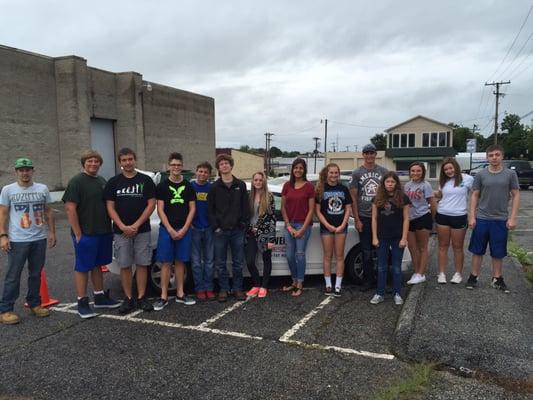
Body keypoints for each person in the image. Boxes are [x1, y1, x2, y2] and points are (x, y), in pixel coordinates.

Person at [63, 150, 120, 319]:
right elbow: (69, 208)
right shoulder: (76, 181)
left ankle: (100, 296)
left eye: (96, 161)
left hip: (102, 231)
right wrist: (78, 233)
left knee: (98, 265)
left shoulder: (101, 181)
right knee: (83, 267)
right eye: (90, 161)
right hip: (86, 233)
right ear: (84, 163)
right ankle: (82, 302)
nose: (93, 164)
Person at [0, 158, 56, 325]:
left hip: (38, 238)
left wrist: (52, 232)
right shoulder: (8, 190)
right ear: (16, 172)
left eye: (27, 170)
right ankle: (6, 309)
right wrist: (3, 235)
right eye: (21, 170)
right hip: (18, 239)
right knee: (13, 275)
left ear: (32, 171)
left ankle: (34, 303)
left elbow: (48, 211)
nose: (25, 173)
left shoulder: (42, 188)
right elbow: (3, 214)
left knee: (35, 273)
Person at [104, 148, 156, 313]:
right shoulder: (113, 182)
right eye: (124, 160)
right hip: (121, 232)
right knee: (125, 265)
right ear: (120, 162)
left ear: (135, 160)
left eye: (130, 159)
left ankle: (141, 297)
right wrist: (122, 226)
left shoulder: (145, 180)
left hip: (142, 230)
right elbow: (110, 206)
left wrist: (136, 225)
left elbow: (151, 204)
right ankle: (128, 298)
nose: (127, 162)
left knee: (142, 264)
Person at [466, 144, 520, 292]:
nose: (494, 158)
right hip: (482, 218)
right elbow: (474, 195)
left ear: (502, 156)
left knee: (498, 251)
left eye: (497, 155)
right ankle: (474, 276)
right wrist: (472, 216)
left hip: (501, 219)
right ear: (487, 157)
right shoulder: (480, 175)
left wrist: (513, 217)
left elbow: (516, 195)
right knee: (477, 250)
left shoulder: (510, 174)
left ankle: (497, 278)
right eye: (491, 155)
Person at [153, 152, 197, 310]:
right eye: (173, 165)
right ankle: (163, 296)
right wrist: (170, 229)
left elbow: (192, 209)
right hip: (167, 229)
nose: (176, 167)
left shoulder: (188, 186)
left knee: (180, 262)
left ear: (182, 166)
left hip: (184, 229)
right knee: (166, 262)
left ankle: (180, 293)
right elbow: (160, 210)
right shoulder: (162, 187)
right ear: (169, 166)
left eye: (179, 165)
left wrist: (185, 228)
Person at [208, 154, 250, 302]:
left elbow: (246, 207)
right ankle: (224, 289)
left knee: (238, 263)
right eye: (221, 164)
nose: (224, 165)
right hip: (220, 232)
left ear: (231, 166)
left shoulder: (240, 185)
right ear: (218, 168)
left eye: (226, 163)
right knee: (220, 263)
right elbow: (210, 210)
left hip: (237, 231)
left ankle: (238, 289)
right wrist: (216, 227)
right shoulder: (214, 187)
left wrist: (243, 224)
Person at [350, 143, 388, 291]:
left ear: (375, 154)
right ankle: (368, 280)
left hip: (381, 217)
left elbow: (389, 191)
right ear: (363, 155)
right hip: (364, 217)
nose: (370, 156)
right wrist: (357, 219)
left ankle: (381, 280)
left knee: (381, 249)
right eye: (367, 153)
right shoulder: (357, 173)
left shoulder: (383, 171)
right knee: (366, 251)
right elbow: (353, 197)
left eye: (372, 153)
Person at [370, 172, 410, 305]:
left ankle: (397, 293)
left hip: (397, 237)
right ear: (383, 183)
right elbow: (374, 219)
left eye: (392, 182)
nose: (390, 184)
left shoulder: (403, 198)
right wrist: (375, 237)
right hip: (382, 237)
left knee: (396, 267)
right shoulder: (377, 198)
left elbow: (406, 219)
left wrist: (404, 238)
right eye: (387, 182)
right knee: (381, 266)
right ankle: (379, 293)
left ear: (396, 183)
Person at [434, 157, 474, 284]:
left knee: (457, 247)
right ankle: (441, 274)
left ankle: (458, 274)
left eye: (450, 168)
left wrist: (474, 214)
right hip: (442, 215)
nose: (448, 171)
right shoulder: (443, 181)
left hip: (459, 216)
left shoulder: (468, 179)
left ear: (456, 167)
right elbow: (440, 196)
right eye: (446, 169)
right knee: (442, 246)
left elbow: (476, 195)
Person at [315, 163, 352, 297]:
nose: (334, 175)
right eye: (331, 172)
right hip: (326, 227)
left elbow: (348, 208)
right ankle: (328, 285)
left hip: (341, 227)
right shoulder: (320, 189)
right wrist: (327, 225)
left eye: (336, 173)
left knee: (340, 256)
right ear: (327, 174)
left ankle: (338, 285)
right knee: (327, 256)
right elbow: (317, 211)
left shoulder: (344, 189)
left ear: (339, 174)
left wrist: (343, 224)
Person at [281, 158, 315, 297]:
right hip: (289, 224)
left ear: (304, 170)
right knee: (289, 256)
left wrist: (302, 229)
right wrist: (288, 225)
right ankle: (294, 281)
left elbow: (311, 210)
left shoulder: (309, 187)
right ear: (292, 169)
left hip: (303, 224)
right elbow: (283, 207)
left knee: (300, 255)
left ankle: (300, 283)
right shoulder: (287, 186)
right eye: (296, 168)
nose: (298, 170)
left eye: (301, 168)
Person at [245, 172, 276, 299]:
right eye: (256, 180)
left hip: (265, 233)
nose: (258, 182)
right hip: (251, 233)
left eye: (260, 180)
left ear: (264, 182)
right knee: (250, 261)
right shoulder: (248, 196)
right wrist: (250, 228)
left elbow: (272, 218)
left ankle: (264, 286)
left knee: (266, 260)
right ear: (252, 181)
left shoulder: (269, 197)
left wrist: (271, 238)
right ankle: (257, 284)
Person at [404, 162, 436, 285]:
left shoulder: (426, 185)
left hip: (423, 217)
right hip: (410, 219)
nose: (415, 173)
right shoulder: (407, 185)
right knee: (412, 247)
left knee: (423, 248)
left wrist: (433, 220)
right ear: (410, 172)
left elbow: (432, 203)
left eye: (418, 171)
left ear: (422, 172)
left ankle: (421, 274)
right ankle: (416, 271)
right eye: (413, 171)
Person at [190, 161, 215, 301]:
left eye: (205, 172)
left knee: (209, 261)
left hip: (209, 229)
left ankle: (209, 288)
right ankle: (199, 289)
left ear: (209, 174)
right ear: (196, 172)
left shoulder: (212, 188)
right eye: (200, 171)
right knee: (196, 262)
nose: (202, 174)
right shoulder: (190, 187)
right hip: (194, 229)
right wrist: (190, 224)